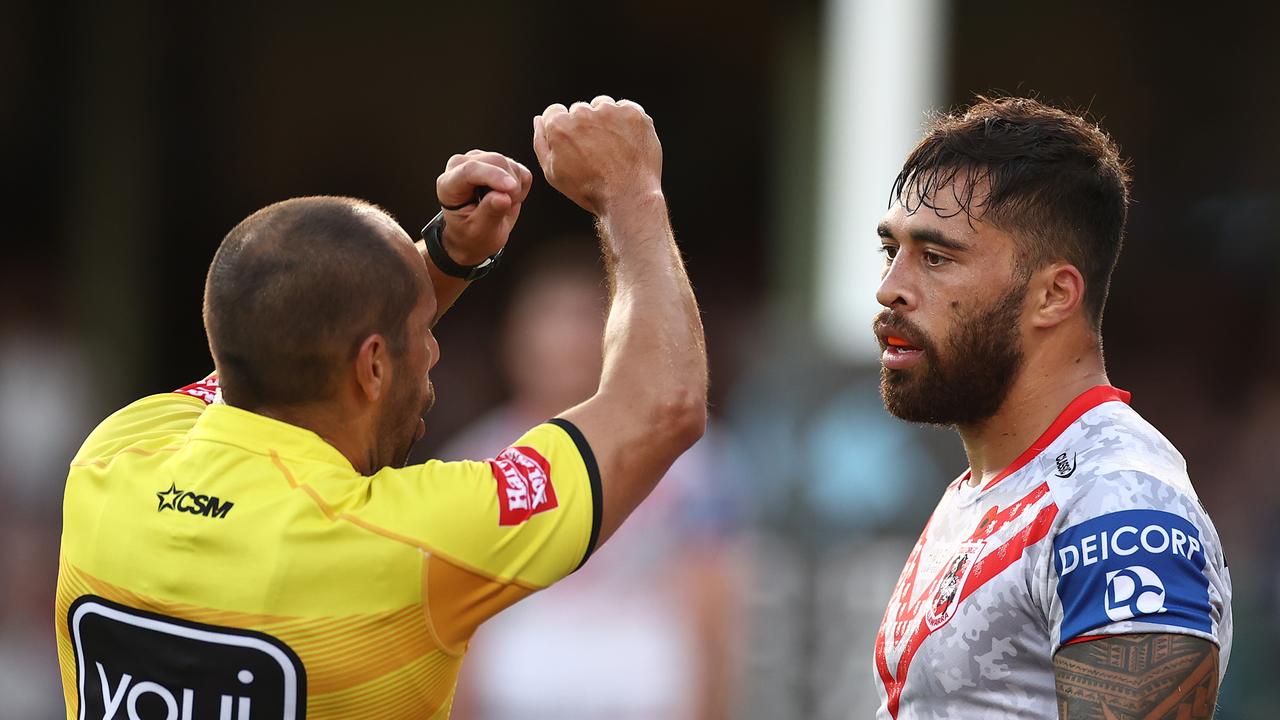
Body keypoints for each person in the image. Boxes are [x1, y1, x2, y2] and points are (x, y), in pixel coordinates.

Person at [54, 96, 707, 720]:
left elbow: (287, 336)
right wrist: (631, 197)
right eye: (423, 332)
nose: (433, 355)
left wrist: (448, 256)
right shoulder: (410, 545)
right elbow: (662, 406)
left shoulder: (115, 455)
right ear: (372, 365)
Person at [869, 96, 1231, 719]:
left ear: (1054, 295)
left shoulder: (1119, 503)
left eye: (936, 258)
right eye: (891, 251)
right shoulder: (982, 487)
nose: (890, 288)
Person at [441, 244, 743, 720]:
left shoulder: (686, 456)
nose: (566, 340)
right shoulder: (473, 462)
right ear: (514, 341)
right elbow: (454, 619)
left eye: (583, 319)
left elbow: (713, 607)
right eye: (549, 320)